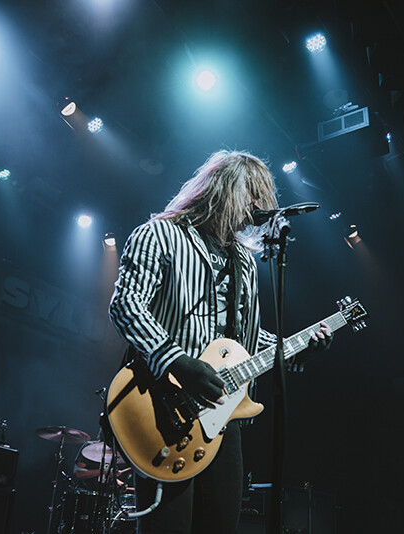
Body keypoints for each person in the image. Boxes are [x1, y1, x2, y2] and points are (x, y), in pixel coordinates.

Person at [108, 149, 332, 534]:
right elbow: (125, 303)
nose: (257, 209)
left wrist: (295, 348)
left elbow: (242, 340)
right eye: (252, 196)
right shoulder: (160, 234)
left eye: (264, 200)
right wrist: (178, 362)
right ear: (223, 191)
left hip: (219, 420)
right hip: (161, 405)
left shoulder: (244, 261)